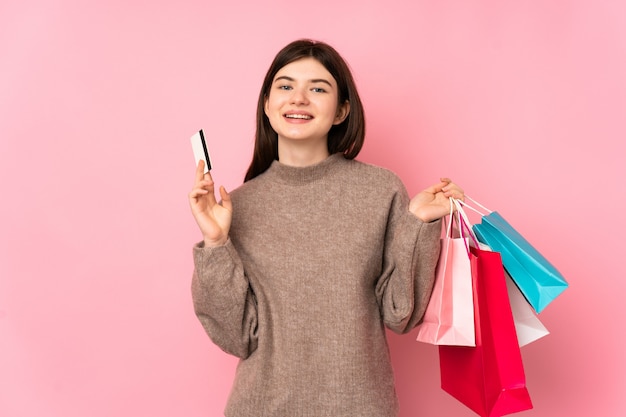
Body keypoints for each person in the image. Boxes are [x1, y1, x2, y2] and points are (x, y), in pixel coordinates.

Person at [188, 39, 464, 417]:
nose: (298, 98)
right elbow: (237, 336)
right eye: (285, 86)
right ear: (268, 105)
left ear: (341, 111)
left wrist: (419, 224)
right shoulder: (236, 207)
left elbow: (400, 313)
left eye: (317, 88)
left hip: (361, 406)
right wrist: (216, 242)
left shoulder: (380, 190)